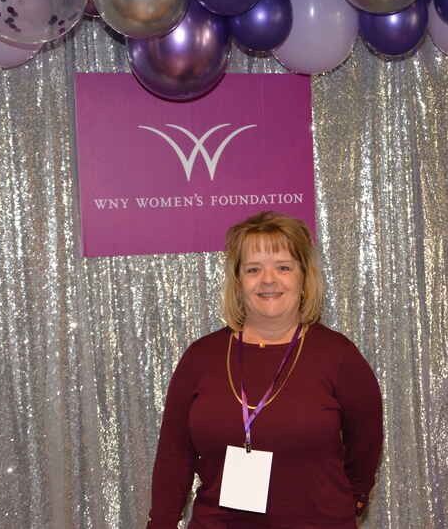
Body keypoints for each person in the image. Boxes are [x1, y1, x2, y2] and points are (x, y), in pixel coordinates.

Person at [146, 211, 383, 529]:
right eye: (253, 269)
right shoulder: (201, 358)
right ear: (238, 281)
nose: (268, 280)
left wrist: (345, 502)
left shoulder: (339, 357)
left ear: (303, 277)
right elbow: (174, 457)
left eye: (283, 267)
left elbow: (365, 447)